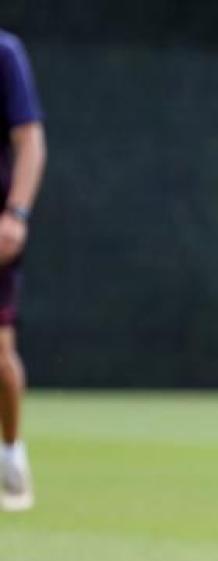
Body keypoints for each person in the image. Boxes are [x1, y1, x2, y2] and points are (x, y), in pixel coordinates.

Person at [0, 30, 43, 513]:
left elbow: (30, 138)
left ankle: (11, 452)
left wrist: (17, 213)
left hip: (0, 224)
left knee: (0, 357)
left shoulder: (5, 54)